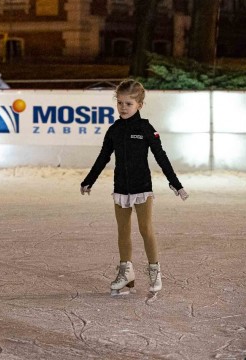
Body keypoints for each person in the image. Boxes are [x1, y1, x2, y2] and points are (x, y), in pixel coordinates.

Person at [80, 79, 188, 296]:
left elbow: (161, 157)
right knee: (123, 231)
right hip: (120, 187)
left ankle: (155, 270)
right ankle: (126, 272)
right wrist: (89, 180)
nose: (123, 107)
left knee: (146, 229)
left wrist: (176, 184)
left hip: (142, 188)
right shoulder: (114, 130)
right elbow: (103, 157)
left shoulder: (146, 129)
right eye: (120, 103)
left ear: (139, 104)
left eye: (128, 103)